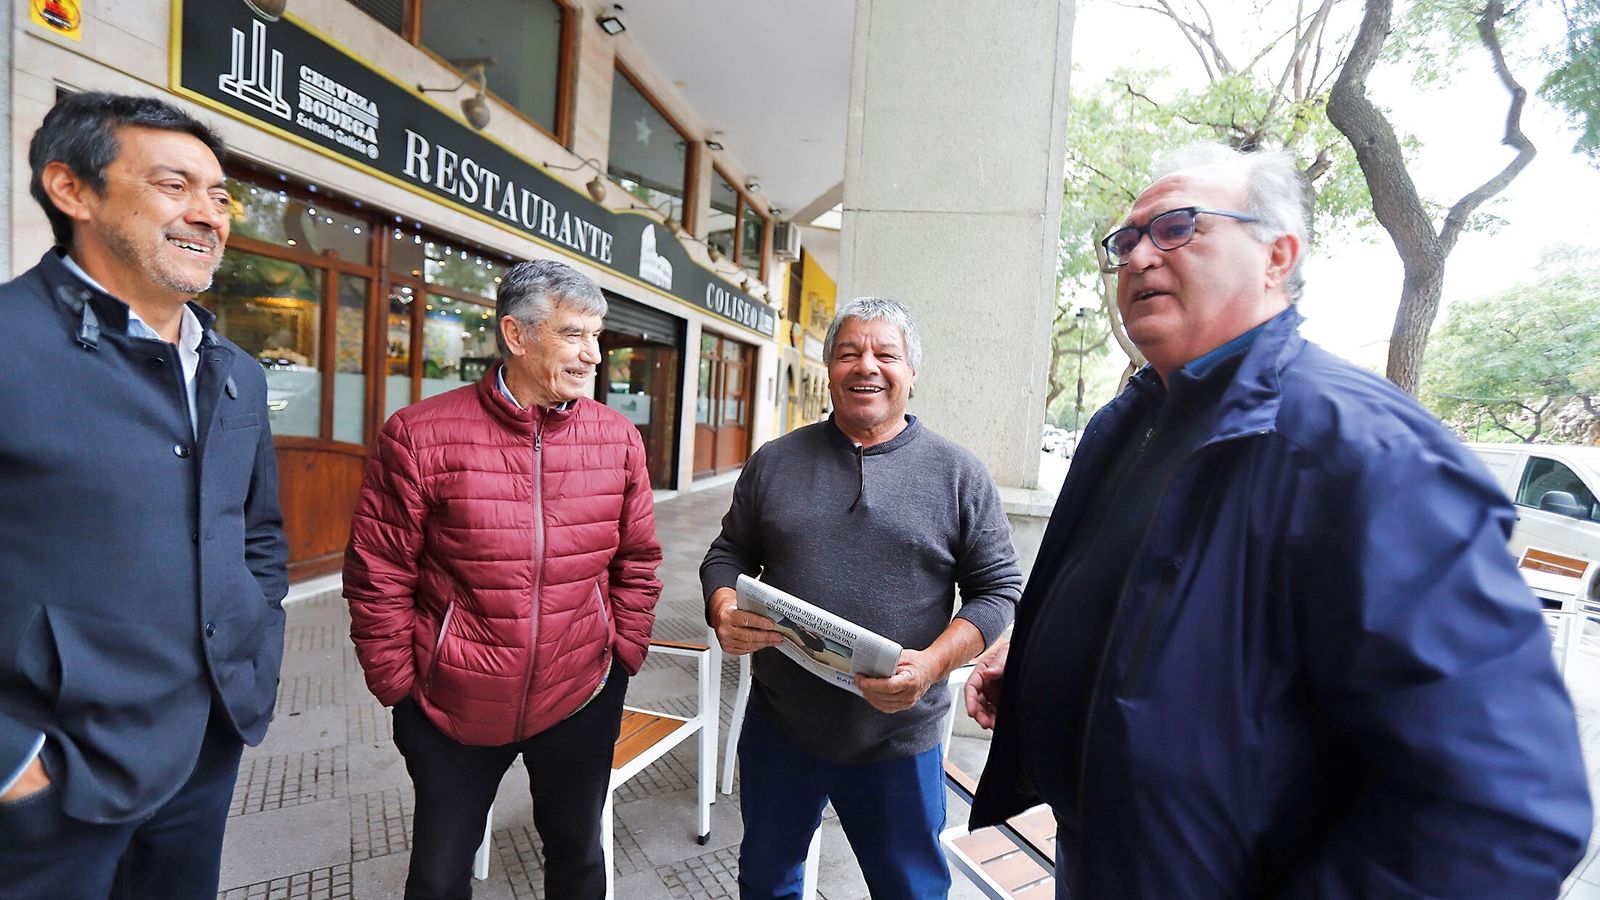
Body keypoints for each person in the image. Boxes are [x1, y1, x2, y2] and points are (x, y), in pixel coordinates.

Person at [966, 142, 1592, 897]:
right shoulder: (1131, 423)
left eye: (1176, 227)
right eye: (1125, 240)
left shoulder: (1364, 451)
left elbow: (1504, 813)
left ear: (1276, 256)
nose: (1137, 257)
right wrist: (1043, 663)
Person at [0, 92, 288, 899]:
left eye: (221, 195)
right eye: (175, 185)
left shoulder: (238, 374)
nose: (209, 215)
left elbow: (255, 534)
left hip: (205, 747)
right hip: (45, 781)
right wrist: (11, 762)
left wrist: (255, 640)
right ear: (73, 190)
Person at [344, 258, 662, 900]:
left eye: (596, 337)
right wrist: (400, 689)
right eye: (574, 334)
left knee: (578, 860)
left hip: (581, 691)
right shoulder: (418, 435)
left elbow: (638, 560)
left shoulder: (618, 438)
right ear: (517, 336)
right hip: (452, 698)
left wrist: (620, 657)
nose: (593, 355)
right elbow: (378, 571)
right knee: (437, 874)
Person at [702, 296, 1022, 900]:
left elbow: (998, 588)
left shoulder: (958, 474)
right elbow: (729, 553)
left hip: (898, 735)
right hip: (782, 725)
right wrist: (722, 605)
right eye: (848, 353)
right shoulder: (775, 461)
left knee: (911, 890)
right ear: (829, 369)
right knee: (766, 880)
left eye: (885, 354)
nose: (865, 366)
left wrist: (930, 666)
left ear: (912, 372)